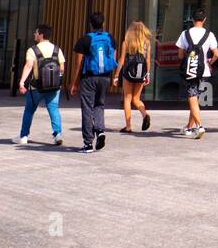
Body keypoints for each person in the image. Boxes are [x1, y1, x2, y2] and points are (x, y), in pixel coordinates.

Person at [70, 12, 117, 153]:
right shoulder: (110, 37)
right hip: (105, 77)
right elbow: (112, 56)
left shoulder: (85, 39)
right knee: (99, 105)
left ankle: (88, 143)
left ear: (91, 24)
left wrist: (73, 83)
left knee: (87, 108)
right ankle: (100, 131)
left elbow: (78, 64)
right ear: (103, 23)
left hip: (89, 77)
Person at [14, 24, 64, 145]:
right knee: (54, 110)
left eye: (36, 33)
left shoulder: (32, 50)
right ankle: (57, 135)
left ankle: (24, 136)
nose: (34, 35)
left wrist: (21, 82)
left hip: (36, 87)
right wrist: (57, 82)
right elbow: (62, 68)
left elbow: (29, 66)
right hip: (53, 87)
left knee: (29, 111)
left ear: (41, 35)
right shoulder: (57, 49)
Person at [175, 9, 218, 140]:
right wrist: (209, 62)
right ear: (204, 19)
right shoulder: (209, 34)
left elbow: (180, 54)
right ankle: (188, 127)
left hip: (190, 70)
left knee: (192, 97)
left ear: (192, 20)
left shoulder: (185, 33)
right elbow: (216, 53)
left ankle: (199, 126)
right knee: (194, 98)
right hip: (203, 70)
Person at [112, 20, 153, 133]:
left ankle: (128, 126)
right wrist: (147, 74)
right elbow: (148, 59)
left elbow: (121, 60)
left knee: (127, 98)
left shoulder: (127, 42)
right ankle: (144, 114)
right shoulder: (147, 43)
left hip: (128, 73)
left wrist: (116, 75)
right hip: (141, 73)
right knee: (136, 99)